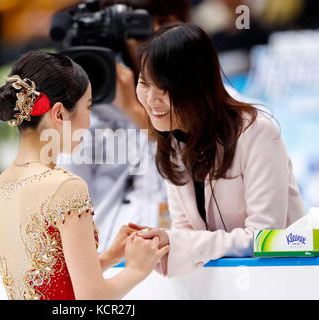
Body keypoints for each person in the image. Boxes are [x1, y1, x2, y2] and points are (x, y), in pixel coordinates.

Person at [0, 51, 169, 300]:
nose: (89, 121)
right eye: (88, 107)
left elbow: (47, 280)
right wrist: (137, 268)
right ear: (59, 114)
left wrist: (107, 258)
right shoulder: (65, 187)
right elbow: (91, 299)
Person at [130, 23, 305, 277]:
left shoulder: (258, 133)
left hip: (279, 281)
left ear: (197, 86)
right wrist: (158, 244)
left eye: (165, 88)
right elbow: (185, 231)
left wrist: (176, 242)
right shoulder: (171, 140)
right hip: (222, 284)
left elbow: (265, 238)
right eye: (144, 83)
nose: (151, 99)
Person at [57, 0, 190, 253]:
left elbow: (195, 169)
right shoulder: (94, 107)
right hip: (108, 264)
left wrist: (136, 111)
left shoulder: (215, 100)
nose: (153, 34)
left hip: (183, 259)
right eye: (139, 25)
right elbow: (67, 203)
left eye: (163, 21)